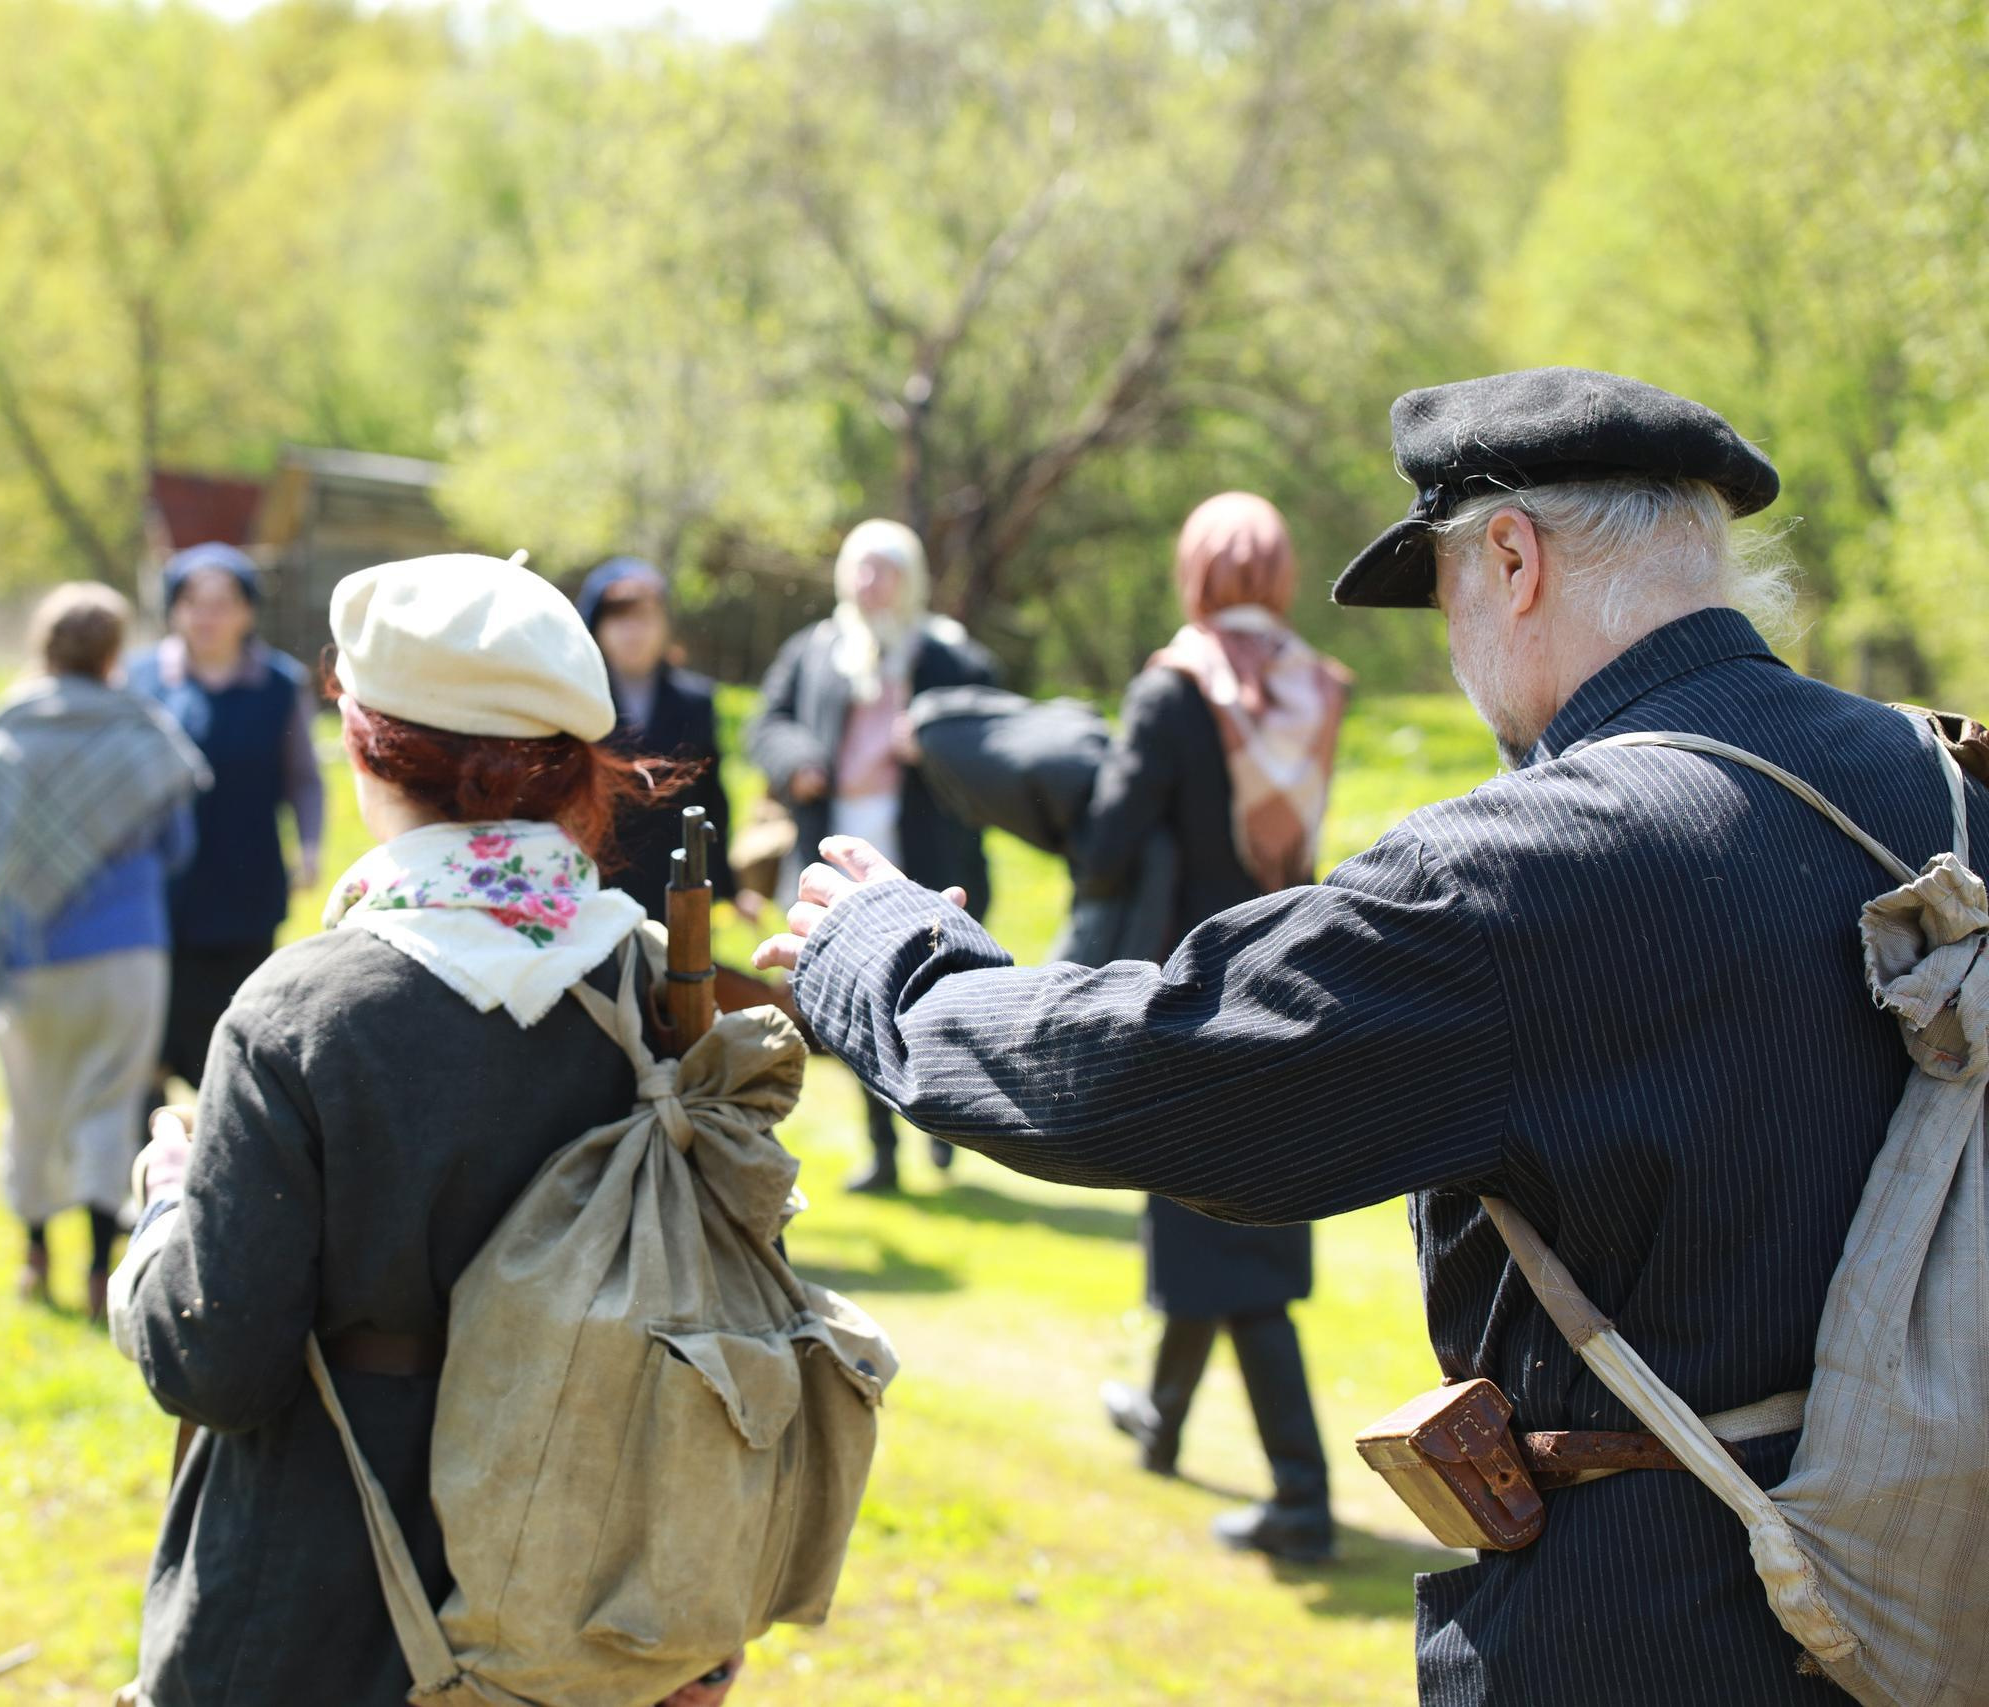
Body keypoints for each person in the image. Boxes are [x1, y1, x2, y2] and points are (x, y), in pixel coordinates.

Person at [754, 367, 1989, 1704]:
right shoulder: (1941, 778)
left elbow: (1174, 1066)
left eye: (1446, 582)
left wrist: (893, 962)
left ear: (1512, 558)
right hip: (1942, 1597)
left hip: (1658, 1626)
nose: (1451, 644)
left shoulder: (1541, 861)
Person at [106, 553, 740, 1707]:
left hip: (318, 1616)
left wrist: (165, 1204)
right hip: (590, 1614)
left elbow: (213, 1361)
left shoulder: (300, 1012)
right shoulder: (657, 987)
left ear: (364, 744)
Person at [1074, 492, 1352, 1563]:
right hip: (1289, 976)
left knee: (1234, 1250)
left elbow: (1105, 844)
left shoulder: (1174, 688)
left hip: (1189, 990)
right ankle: (1162, 1418)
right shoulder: (1312, 686)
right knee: (1219, 1221)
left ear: (1193, 574)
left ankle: (1302, 1497)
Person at [0, 582, 207, 1319]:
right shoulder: (144, 734)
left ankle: (35, 1255)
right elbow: (178, 846)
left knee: (32, 1106)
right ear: (114, 651)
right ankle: (101, 1270)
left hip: (30, 952)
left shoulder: (5, 734)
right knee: (109, 1105)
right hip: (128, 950)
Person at [746, 518, 995, 1193]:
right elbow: (765, 724)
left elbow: (990, 730)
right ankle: (883, 1148)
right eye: (859, 566)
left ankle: (948, 1125)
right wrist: (797, 762)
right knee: (856, 994)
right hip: (840, 850)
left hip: (928, 850)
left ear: (909, 577)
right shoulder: (815, 649)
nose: (867, 581)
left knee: (942, 990)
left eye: (883, 568)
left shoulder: (946, 654)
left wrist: (934, 744)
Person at [122, 542, 327, 1104]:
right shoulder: (140, 680)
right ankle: (144, 1175)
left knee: (231, 1036)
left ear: (248, 612)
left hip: (245, 883)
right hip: (157, 892)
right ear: (173, 610)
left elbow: (303, 777)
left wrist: (309, 847)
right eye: (192, 602)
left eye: (222, 603)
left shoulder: (279, 684)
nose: (206, 616)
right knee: (149, 1044)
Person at [576, 556, 738, 920]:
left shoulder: (695, 702)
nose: (634, 631)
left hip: (674, 880)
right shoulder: (576, 701)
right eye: (620, 617)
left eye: (645, 616)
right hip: (593, 880)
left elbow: (712, 798)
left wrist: (724, 884)